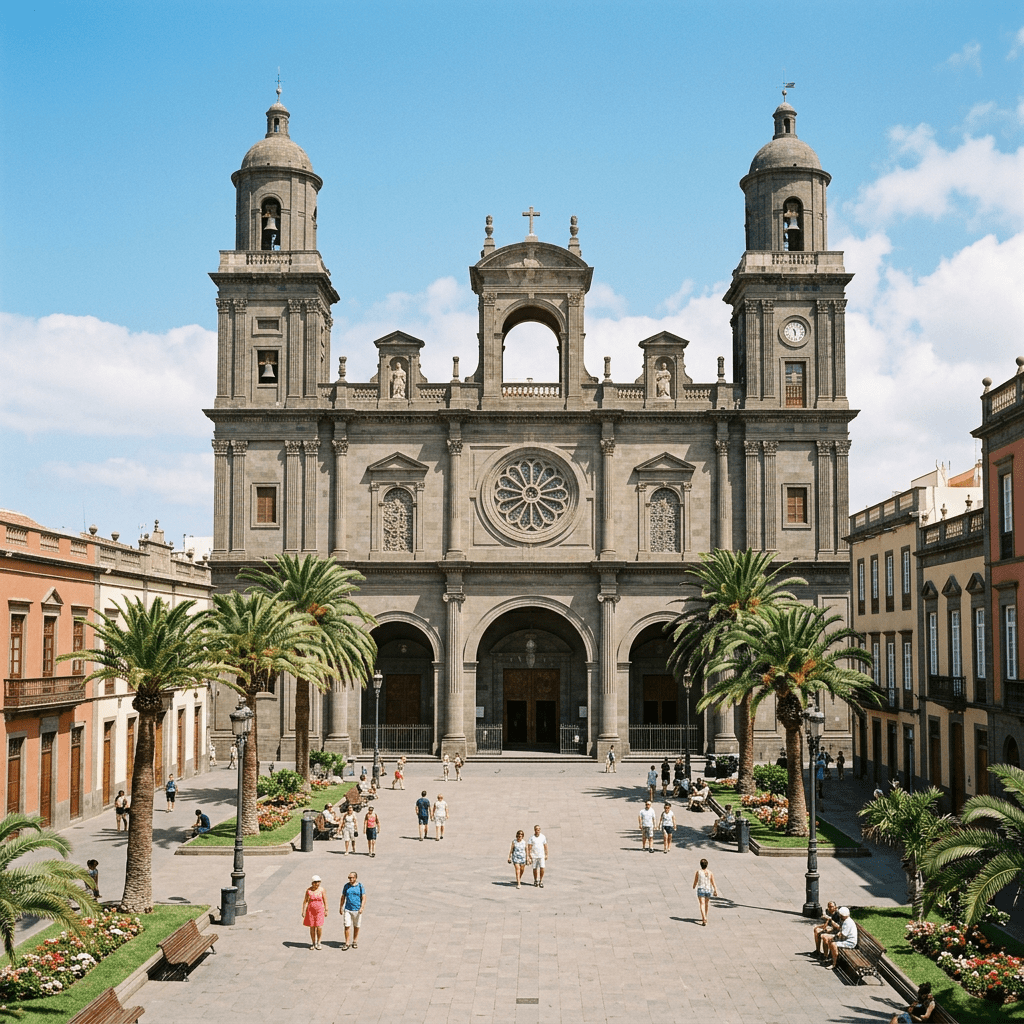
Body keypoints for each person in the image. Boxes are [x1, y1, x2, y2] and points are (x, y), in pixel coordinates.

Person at [340, 871, 365, 950]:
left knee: (356, 926)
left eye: (351, 878)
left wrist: (362, 907)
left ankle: (354, 941)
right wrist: (341, 907)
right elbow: (343, 897)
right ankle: (347, 942)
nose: (350, 879)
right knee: (347, 925)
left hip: (357, 909)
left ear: (355, 878)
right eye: (349, 878)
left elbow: (364, 897)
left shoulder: (360, 886)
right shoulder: (346, 886)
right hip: (348, 909)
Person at [301, 875, 327, 950]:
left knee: (319, 927)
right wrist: (303, 911)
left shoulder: (322, 890)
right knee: (312, 927)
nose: (317, 884)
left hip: (319, 910)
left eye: (318, 882)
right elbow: (305, 901)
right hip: (311, 911)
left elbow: (325, 900)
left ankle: (319, 942)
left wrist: (326, 909)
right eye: (315, 882)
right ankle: (313, 942)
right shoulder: (308, 890)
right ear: (312, 883)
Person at [692, 857, 719, 926]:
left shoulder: (698, 872)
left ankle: (704, 918)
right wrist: (715, 889)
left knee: (702, 904)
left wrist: (694, 885)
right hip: (708, 889)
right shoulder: (710, 873)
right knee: (706, 904)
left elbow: (696, 880)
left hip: (701, 889)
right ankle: (705, 916)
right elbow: (713, 882)